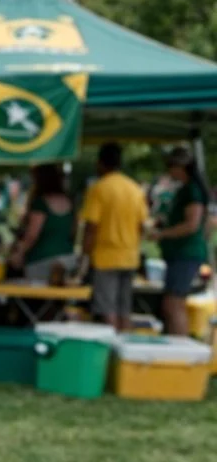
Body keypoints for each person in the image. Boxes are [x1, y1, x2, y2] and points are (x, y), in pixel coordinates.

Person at [80, 142, 147, 333]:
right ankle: (124, 351)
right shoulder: (135, 189)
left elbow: (91, 226)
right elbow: (142, 225)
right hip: (129, 256)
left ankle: (110, 352)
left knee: (106, 308)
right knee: (124, 309)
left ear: (100, 163)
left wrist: (84, 254)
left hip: (105, 257)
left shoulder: (99, 189)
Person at [153, 145, 209, 337]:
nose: (168, 171)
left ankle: (180, 348)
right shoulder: (184, 189)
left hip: (186, 254)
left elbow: (191, 224)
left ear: (180, 167)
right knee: (171, 303)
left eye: (170, 166)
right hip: (179, 254)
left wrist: (163, 234)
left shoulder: (192, 191)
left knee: (174, 304)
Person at [8, 164, 76, 282]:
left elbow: (32, 235)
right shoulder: (69, 202)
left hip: (41, 261)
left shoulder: (40, 203)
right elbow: (73, 231)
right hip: (67, 259)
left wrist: (19, 253)